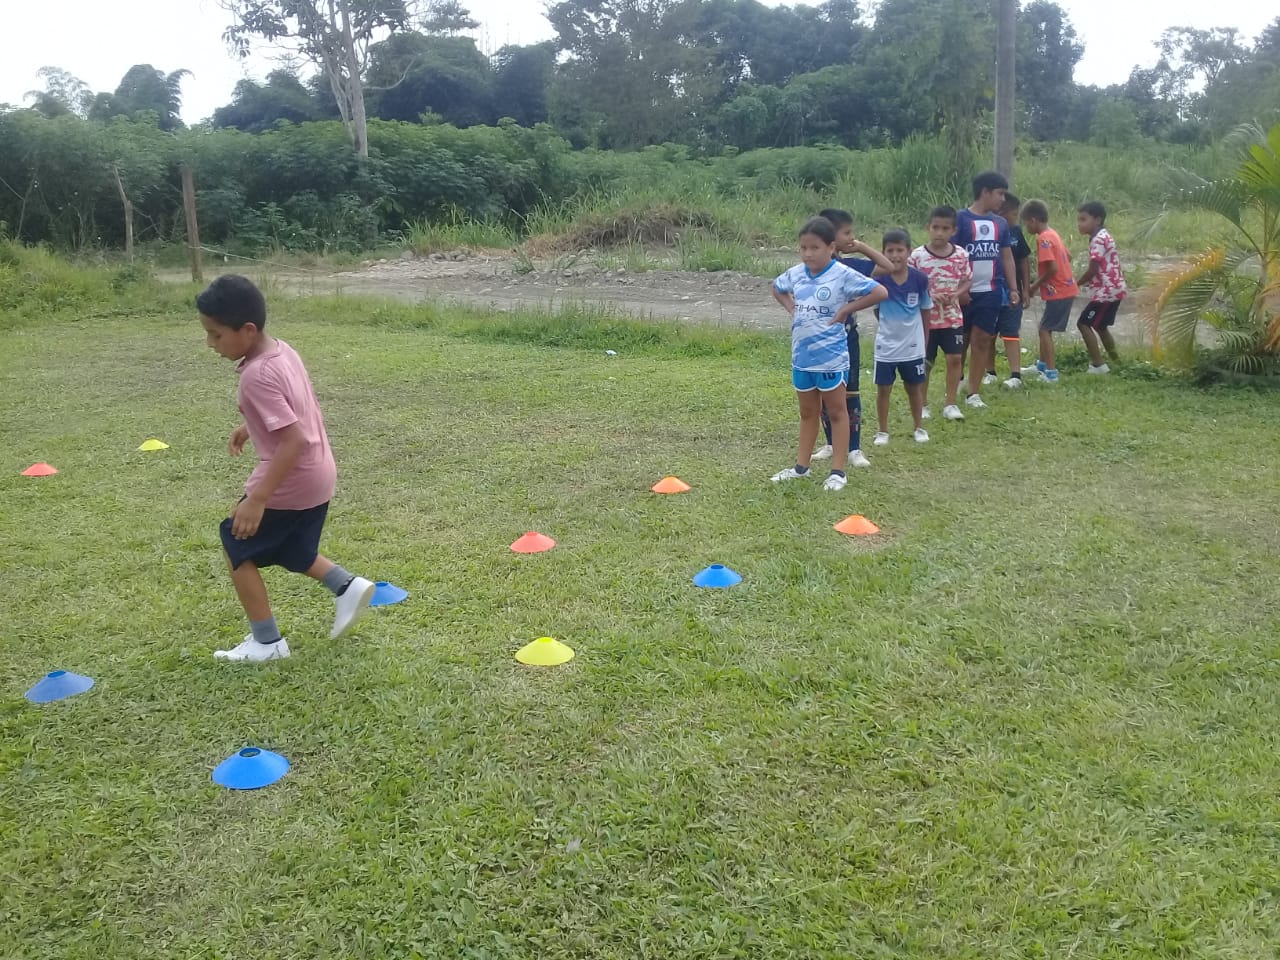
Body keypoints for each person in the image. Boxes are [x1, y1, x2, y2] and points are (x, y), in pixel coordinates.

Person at [198, 274, 375, 662]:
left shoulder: (255, 376)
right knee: (290, 546)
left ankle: (267, 642)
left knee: (236, 544)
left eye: (216, 334)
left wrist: (258, 498)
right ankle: (346, 586)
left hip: (292, 477)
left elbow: (293, 440)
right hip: (319, 473)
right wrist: (253, 425)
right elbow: (292, 407)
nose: (210, 344)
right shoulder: (282, 351)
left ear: (247, 330)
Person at [771, 217, 888, 491]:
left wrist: (847, 309)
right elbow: (777, 288)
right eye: (803, 248)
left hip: (831, 358)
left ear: (831, 248)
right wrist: (792, 308)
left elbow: (880, 291)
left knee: (836, 412)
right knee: (807, 412)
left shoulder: (842, 274)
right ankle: (801, 468)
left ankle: (838, 472)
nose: (808, 254)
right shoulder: (796, 274)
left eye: (815, 248)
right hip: (802, 358)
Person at [811, 208, 893, 468]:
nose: (852, 237)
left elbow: (887, 266)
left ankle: (854, 449)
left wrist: (860, 247)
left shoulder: (850, 267)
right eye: (847, 233)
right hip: (820, 341)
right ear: (830, 236)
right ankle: (831, 444)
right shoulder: (813, 269)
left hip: (847, 339)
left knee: (850, 392)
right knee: (825, 393)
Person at [953, 171, 1021, 409]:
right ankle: (956, 382)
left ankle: (974, 393)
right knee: (960, 341)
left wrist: (1013, 288)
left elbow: (1007, 256)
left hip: (991, 291)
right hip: (962, 293)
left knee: (982, 339)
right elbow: (951, 256)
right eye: (1000, 194)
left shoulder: (1000, 223)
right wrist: (958, 289)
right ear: (985, 192)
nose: (1003, 199)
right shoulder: (960, 219)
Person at [869, 230, 931, 447]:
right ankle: (883, 431)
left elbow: (925, 312)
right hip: (886, 346)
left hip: (912, 347)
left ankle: (919, 427)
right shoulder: (879, 280)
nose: (895, 255)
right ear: (883, 253)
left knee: (914, 388)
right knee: (883, 389)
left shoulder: (920, 280)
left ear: (909, 252)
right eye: (890, 251)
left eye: (900, 250)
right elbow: (877, 310)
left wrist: (924, 342)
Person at [909, 205, 972, 422]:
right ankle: (922, 404)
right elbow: (909, 283)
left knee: (955, 358)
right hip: (926, 319)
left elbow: (967, 280)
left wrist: (956, 294)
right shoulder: (917, 256)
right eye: (935, 227)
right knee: (926, 362)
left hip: (952, 317)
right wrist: (930, 295)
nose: (939, 233)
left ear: (953, 231)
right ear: (928, 227)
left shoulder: (961, 255)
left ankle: (951, 404)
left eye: (945, 229)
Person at [1021, 199, 1078, 382]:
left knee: (1044, 330)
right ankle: (1042, 365)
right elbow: (1068, 256)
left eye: (1026, 223)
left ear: (1033, 220)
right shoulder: (1053, 234)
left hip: (1059, 291)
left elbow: (1052, 268)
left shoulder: (1043, 239)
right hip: (1066, 287)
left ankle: (1051, 373)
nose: (1026, 227)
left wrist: (1034, 286)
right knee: (1045, 328)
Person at [983, 193, 1032, 388]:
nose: (1016, 218)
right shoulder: (987, 230)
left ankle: (1015, 374)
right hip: (990, 291)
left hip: (1013, 292)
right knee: (988, 334)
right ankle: (990, 372)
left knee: (1011, 332)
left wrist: (1025, 289)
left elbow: (1023, 260)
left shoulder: (1016, 232)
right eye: (1014, 214)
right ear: (1000, 213)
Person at [1075, 201, 1127, 374]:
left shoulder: (1098, 240)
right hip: (1115, 289)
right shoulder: (1103, 235)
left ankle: (1098, 364)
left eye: (1083, 219)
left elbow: (1093, 270)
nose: (1079, 224)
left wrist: (1075, 284)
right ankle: (1117, 362)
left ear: (1097, 220)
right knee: (1100, 326)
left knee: (1083, 323)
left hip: (1106, 291)